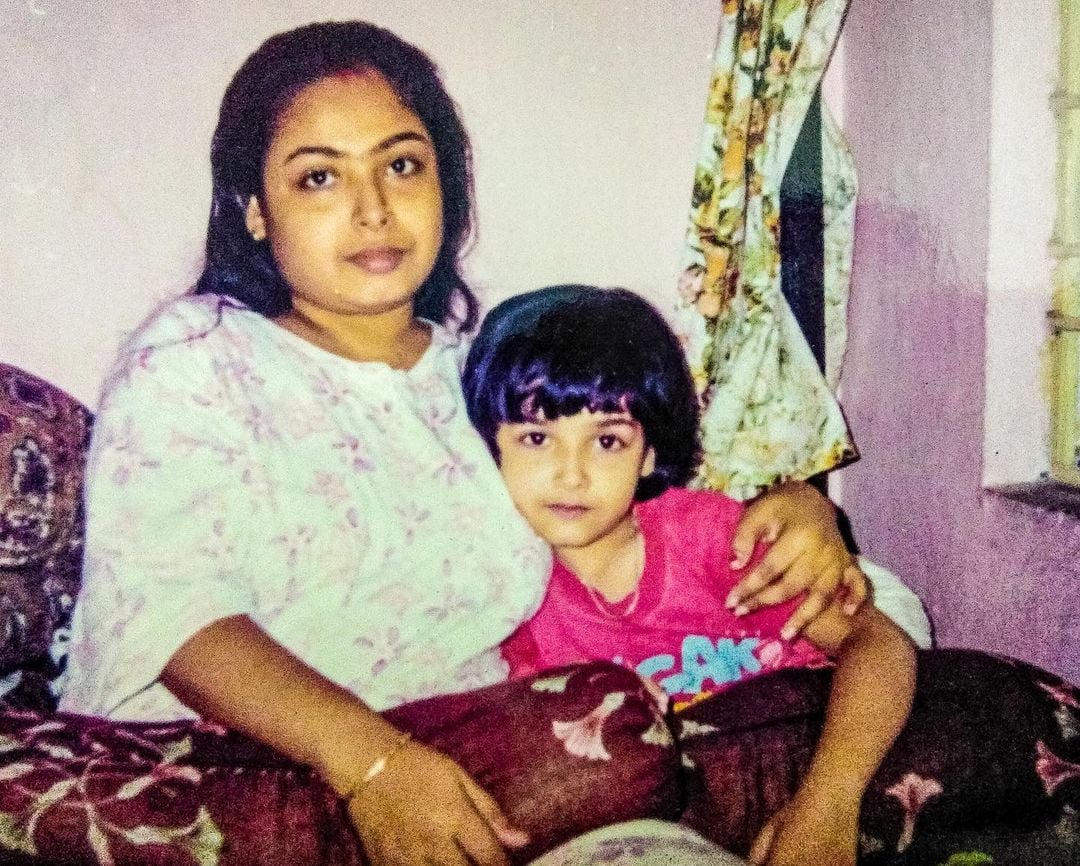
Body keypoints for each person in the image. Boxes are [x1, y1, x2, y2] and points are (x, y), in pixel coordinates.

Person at [60, 21, 867, 866]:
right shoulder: (195, 356)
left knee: (876, 624)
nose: (374, 208)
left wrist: (797, 508)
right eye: (320, 177)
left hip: (485, 769)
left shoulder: (478, 378)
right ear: (255, 210)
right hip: (250, 770)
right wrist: (372, 765)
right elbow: (174, 613)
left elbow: (630, 494)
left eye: (402, 164)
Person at [463, 285, 917, 866]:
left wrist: (826, 806)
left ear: (648, 453)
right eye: (536, 438)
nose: (570, 474)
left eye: (607, 441)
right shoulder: (505, 600)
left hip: (822, 770)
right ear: (487, 450)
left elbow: (877, 641)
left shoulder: (706, 538)